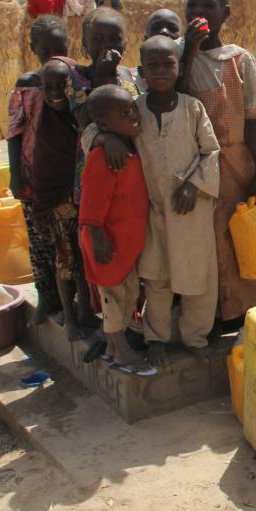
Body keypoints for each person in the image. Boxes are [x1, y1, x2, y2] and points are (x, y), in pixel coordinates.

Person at [90, 37, 221, 362]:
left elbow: (212, 151)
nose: (161, 70)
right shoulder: (134, 111)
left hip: (192, 211)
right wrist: (105, 138)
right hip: (151, 213)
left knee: (198, 278)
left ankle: (196, 339)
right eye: (153, 65)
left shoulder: (192, 108)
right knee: (157, 278)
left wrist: (195, 186)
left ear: (179, 67)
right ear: (142, 71)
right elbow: (93, 130)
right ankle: (157, 339)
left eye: (168, 64)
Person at [182, 0, 256, 324]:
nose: (199, 13)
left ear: (225, 13)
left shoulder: (239, 60)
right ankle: (214, 312)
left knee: (240, 236)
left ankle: (245, 308)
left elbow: (253, 122)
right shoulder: (178, 58)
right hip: (195, 165)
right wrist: (187, 53)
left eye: (208, 6)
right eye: (192, 6)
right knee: (206, 242)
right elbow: (177, 100)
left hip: (235, 163)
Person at [78, 85, 150, 372]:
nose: (133, 115)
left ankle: (111, 348)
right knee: (114, 299)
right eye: (124, 113)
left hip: (125, 241)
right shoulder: (103, 156)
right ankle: (121, 350)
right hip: (106, 241)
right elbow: (92, 202)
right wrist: (97, 236)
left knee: (128, 293)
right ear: (103, 125)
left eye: (133, 108)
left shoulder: (130, 148)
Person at [8, 15, 68, 321]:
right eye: (46, 52)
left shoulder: (74, 79)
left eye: (60, 50)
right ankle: (48, 298)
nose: (53, 59)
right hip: (34, 174)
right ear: (34, 50)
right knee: (40, 241)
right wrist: (15, 173)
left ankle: (74, 303)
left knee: (69, 243)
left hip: (67, 176)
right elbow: (14, 131)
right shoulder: (27, 85)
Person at [32, 58, 86, 339]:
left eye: (61, 86)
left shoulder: (83, 119)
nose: (54, 92)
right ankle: (70, 315)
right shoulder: (46, 128)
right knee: (66, 260)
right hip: (59, 206)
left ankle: (86, 310)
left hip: (86, 205)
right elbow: (42, 171)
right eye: (47, 86)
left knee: (86, 259)